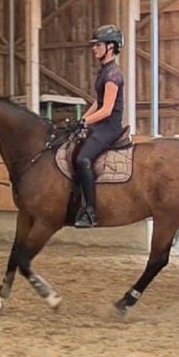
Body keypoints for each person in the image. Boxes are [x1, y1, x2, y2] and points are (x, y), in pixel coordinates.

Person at [73, 24, 126, 228]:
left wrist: (86, 121)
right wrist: (82, 120)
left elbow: (107, 109)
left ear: (110, 47)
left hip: (110, 127)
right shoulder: (104, 71)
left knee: (83, 158)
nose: (94, 49)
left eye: (98, 45)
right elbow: (98, 102)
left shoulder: (113, 74)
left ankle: (90, 212)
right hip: (100, 125)